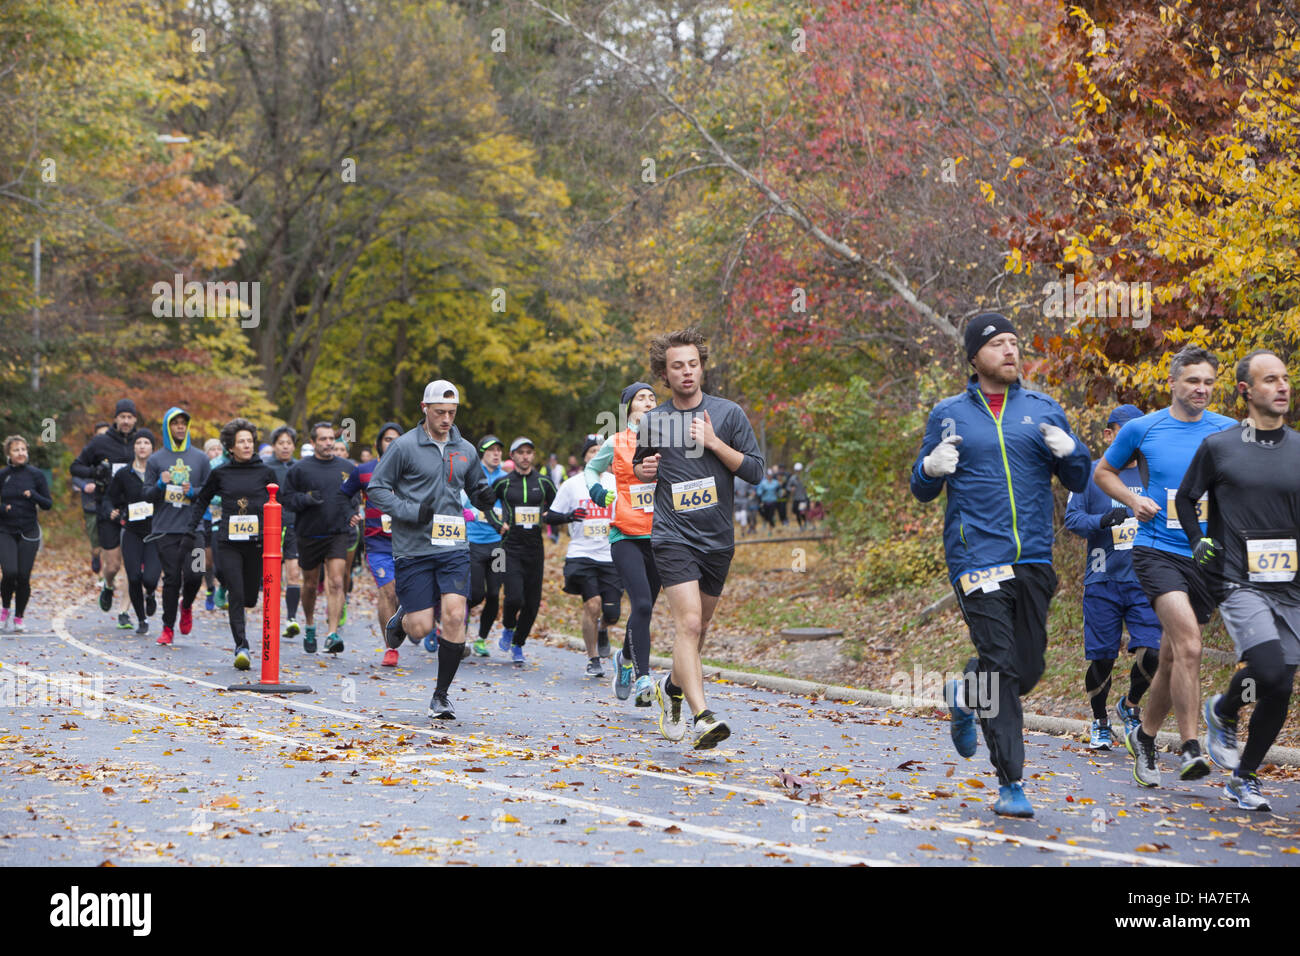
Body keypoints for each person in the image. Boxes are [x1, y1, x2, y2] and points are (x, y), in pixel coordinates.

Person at [910, 313, 1091, 817]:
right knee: (1003, 665)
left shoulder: (1043, 408)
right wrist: (929, 467)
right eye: (998, 344)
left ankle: (965, 690)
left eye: (1015, 343)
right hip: (976, 558)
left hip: (1034, 556)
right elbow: (922, 488)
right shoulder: (949, 414)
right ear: (974, 356)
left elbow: (1080, 475)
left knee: (1026, 670)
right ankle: (1011, 781)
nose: (1011, 351)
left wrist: (1075, 453)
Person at [1095, 346, 1236, 786]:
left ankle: (1146, 735)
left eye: (1209, 382)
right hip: (1157, 550)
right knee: (1191, 646)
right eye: (1193, 380)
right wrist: (1134, 499)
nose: (1202, 389)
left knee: (1174, 656)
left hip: (1206, 557)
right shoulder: (1143, 428)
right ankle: (1192, 747)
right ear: (1173, 383)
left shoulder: (1230, 430)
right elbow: (1104, 472)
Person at [633, 328, 764, 750]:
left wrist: (713, 442)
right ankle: (703, 716)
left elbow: (755, 472)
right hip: (672, 536)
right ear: (664, 374)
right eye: (677, 367)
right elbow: (640, 468)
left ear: (701, 366)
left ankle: (670, 688)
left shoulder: (728, 415)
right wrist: (645, 472)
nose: (687, 372)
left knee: (699, 629)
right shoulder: (653, 421)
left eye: (693, 364)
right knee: (687, 623)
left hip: (717, 540)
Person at [1179, 350, 1299, 811]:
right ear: (1246, 391)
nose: (1282, 387)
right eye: (1270, 380)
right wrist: (1196, 542)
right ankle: (1226, 709)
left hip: (1291, 584)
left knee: (1280, 686)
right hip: (1239, 579)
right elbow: (1188, 499)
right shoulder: (1221, 447)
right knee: (1268, 668)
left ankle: (1243, 777)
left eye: (1285, 379)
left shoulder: (1298, 448)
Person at [367, 380, 503, 719]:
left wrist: (485, 495)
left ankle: (441, 696)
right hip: (413, 546)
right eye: (440, 412)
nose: (446, 419)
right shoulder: (403, 447)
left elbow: (474, 485)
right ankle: (403, 617)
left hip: (453, 543)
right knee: (420, 628)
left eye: (452, 413)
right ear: (424, 409)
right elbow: (377, 489)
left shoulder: (467, 449)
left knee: (456, 614)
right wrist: (410, 512)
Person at [1063, 404, 1160, 749]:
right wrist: (1101, 522)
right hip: (1102, 578)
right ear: (1109, 434)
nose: (1135, 441)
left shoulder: (1153, 475)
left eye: (1141, 435)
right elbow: (1072, 519)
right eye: (1126, 432)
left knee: (1154, 653)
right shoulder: (1090, 475)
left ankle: (1129, 705)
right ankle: (1100, 720)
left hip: (1145, 580)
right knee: (1103, 657)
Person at [587, 382, 661, 704]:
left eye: (652, 398)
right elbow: (591, 469)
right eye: (641, 398)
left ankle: (625, 660)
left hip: (661, 535)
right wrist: (597, 492)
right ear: (628, 407)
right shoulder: (616, 441)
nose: (648, 402)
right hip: (626, 533)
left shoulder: (667, 441)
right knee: (641, 604)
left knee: (646, 608)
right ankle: (643, 677)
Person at [189, 418, 278, 670]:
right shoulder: (220, 473)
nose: (247, 445)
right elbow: (202, 500)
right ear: (231, 446)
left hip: (257, 543)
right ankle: (242, 646)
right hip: (228, 541)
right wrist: (190, 529)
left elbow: (278, 504)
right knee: (236, 593)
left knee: (250, 597)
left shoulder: (266, 472)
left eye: (250, 441)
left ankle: (242, 623)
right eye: (241, 441)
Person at [282, 422, 360, 654]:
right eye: (323, 439)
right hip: (309, 533)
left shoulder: (347, 467)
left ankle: (332, 633)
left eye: (331, 439)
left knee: (336, 582)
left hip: (338, 532)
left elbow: (354, 496)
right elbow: (287, 499)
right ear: (314, 442)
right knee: (309, 584)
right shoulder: (299, 469)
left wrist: (352, 513)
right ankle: (309, 625)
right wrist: (305, 499)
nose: (328, 443)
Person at [549, 435, 621, 677]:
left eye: (600, 451)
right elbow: (550, 516)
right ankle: (593, 658)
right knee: (592, 604)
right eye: (591, 451)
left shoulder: (616, 482)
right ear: (585, 457)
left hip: (610, 554)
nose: (596, 454)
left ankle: (603, 629)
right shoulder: (572, 484)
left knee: (612, 614)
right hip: (581, 554)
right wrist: (570, 515)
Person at [144, 407, 211, 645]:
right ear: (167, 427)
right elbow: (147, 496)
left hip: (195, 529)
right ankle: (167, 628)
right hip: (165, 529)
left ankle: (188, 605)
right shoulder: (155, 459)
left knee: (196, 574)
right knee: (172, 579)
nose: (180, 427)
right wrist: (161, 486)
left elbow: (210, 493)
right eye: (175, 423)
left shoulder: (201, 458)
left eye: (183, 423)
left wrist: (193, 492)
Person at [488, 437, 557, 665]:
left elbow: (557, 506)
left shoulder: (544, 482)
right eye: (521, 452)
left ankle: (518, 643)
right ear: (513, 456)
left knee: (532, 602)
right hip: (510, 547)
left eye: (529, 452)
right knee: (514, 597)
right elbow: (485, 504)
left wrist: (550, 516)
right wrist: (498, 525)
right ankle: (508, 627)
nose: (525, 456)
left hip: (535, 549)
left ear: (533, 456)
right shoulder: (503, 483)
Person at [342, 421, 404, 665]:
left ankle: (414, 624)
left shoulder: (412, 470)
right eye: (388, 439)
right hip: (378, 543)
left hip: (408, 542)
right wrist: (350, 514)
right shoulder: (365, 470)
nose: (392, 443)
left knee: (405, 594)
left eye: (397, 439)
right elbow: (344, 494)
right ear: (379, 443)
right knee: (387, 592)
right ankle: (391, 648)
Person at [70, 399, 139, 617]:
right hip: (107, 508)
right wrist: (96, 472)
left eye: (130, 417)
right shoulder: (101, 443)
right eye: (122, 417)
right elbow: (76, 467)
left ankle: (125, 612)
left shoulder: (142, 441)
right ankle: (108, 585)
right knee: (113, 566)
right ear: (116, 419)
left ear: (135, 419)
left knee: (132, 566)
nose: (126, 421)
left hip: (136, 510)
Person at [107, 429, 162, 634]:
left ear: (152, 447)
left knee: (149, 578)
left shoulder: (159, 473)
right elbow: (110, 498)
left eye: (146, 442)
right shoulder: (123, 473)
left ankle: (150, 594)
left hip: (155, 532)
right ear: (134, 447)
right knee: (134, 577)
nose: (141, 446)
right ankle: (141, 619)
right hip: (131, 531)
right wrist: (114, 511)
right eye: (138, 442)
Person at [0, 435, 52, 631]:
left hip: (28, 531)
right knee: (10, 572)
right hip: (5, 530)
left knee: (23, 576)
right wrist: (4, 508)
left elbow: (47, 504)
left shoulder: (36, 475)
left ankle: (19, 616)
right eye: (16, 450)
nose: (20, 453)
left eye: (23, 449)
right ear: (9, 454)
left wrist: (34, 495)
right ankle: (5, 608)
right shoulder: (3, 475)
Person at [462, 435, 507, 658]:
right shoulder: (471, 474)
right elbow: (460, 502)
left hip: (497, 545)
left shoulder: (506, 478)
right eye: (491, 450)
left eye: (499, 450)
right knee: (476, 593)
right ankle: (454, 627)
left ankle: (480, 640)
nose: (496, 454)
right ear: (482, 453)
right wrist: (468, 513)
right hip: (473, 542)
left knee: (494, 595)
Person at [266, 426, 302, 637]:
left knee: (294, 573)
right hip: (271, 527)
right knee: (272, 575)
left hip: (294, 525)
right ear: (274, 446)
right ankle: (271, 617)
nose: (286, 446)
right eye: (281, 443)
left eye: (289, 443)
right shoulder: (265, 467)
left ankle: (291, 618)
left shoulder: (300, 467)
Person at [79, 422, 109, 577]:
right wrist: (85, 486)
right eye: (100, 434)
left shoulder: (115, 454)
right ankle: (96, 557)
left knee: (110, 541)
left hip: (110, 503)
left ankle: (108, 577)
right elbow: (76, 476)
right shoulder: (87, 455)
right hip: (91, 504)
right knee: (95, 540)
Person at [201, 437, 226, 611]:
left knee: (221, 561)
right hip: (205, 518)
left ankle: (224, 587)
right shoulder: (203, 470)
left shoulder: (226, 469)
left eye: (219, 449)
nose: (216, 452)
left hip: (222, 518)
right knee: (205, 561)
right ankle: (209, 589)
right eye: (212, 449)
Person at [756, 469, 780, 533]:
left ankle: (770, 530)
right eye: (768, 475)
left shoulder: (776, 482)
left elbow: (779, 491)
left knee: (770, 515)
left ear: (772, 475)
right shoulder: (763, 483)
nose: (769, 476)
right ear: (766, 475)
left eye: (770, 475)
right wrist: (762, 492)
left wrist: (780, 493)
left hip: (773, 501)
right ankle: (772, 524)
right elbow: (759, 492)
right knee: (765, 515)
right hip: (765, 502)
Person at [788, 463, 810, 530]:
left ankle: (805, 522)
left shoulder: (805, 478)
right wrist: (791, 489)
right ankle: (800, 526)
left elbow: (810, 486)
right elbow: (788, 487)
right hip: (796, 499)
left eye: (799, 470)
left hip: (803, 498)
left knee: (802, 511)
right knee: (796, 513)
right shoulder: (792, 478)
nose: (798, 472)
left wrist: (807, 489)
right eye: (797, 470)